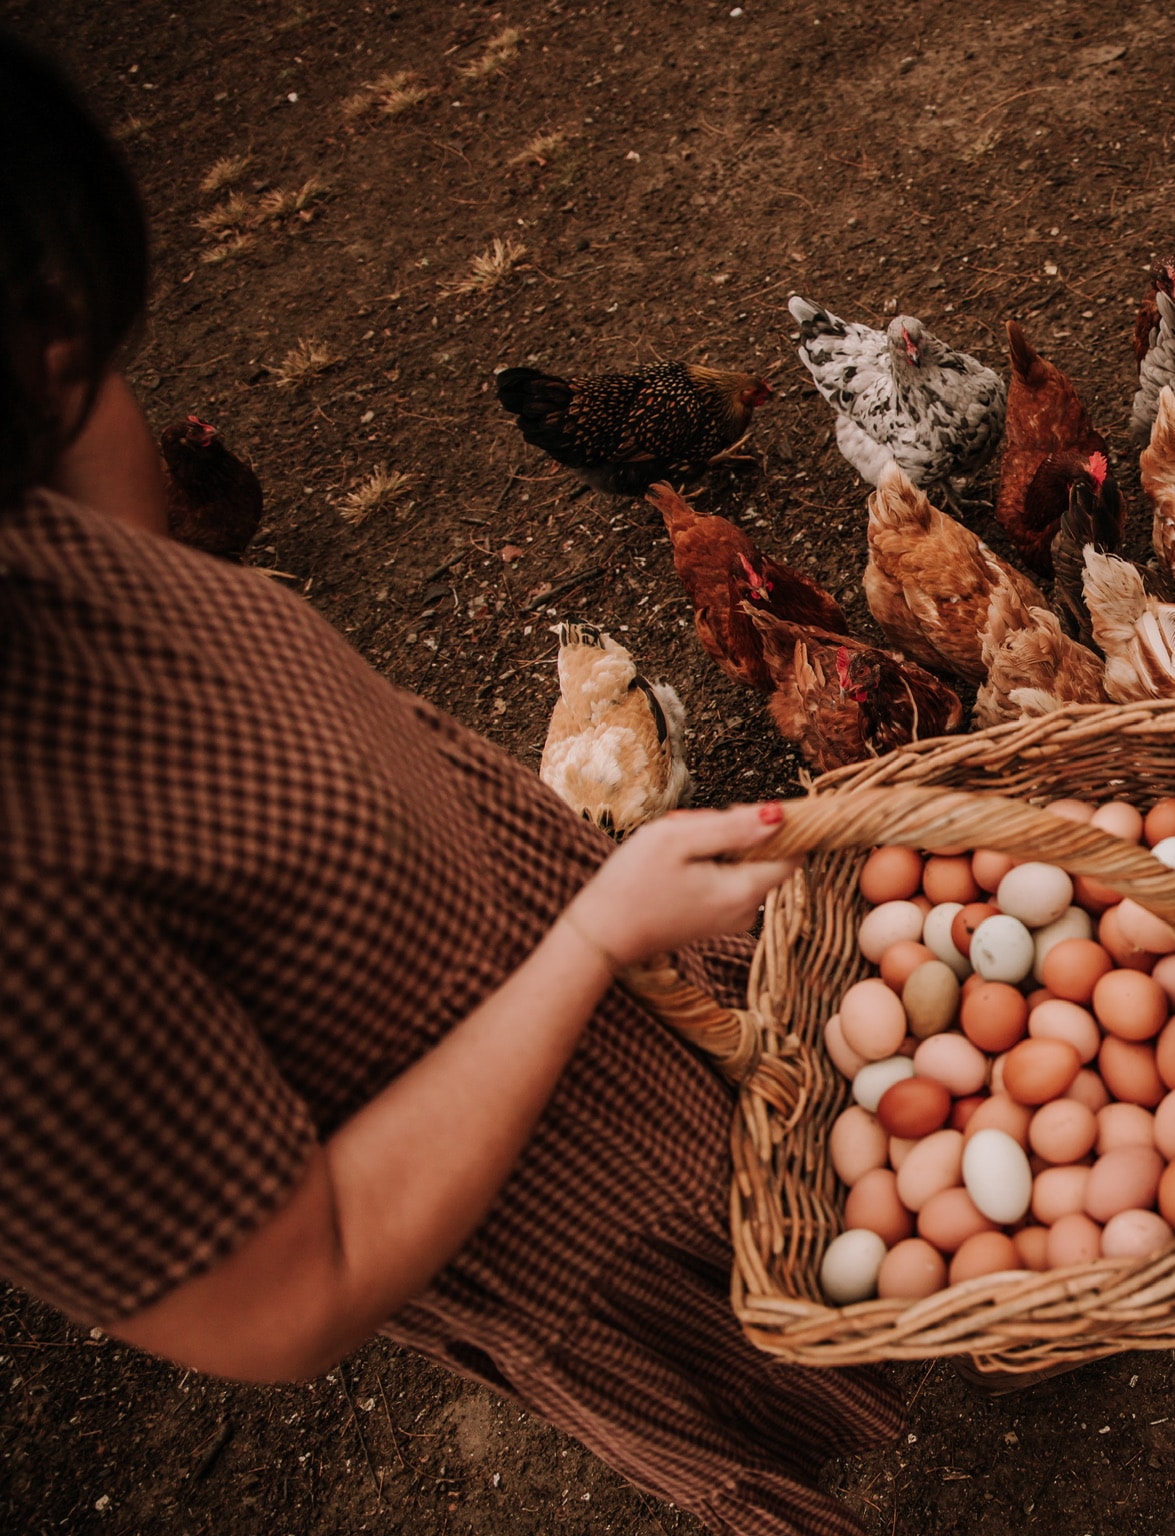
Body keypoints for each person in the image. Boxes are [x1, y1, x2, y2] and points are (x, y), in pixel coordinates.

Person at [0, 34, 899, 1535]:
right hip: (564, 1188)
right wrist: (588, 943)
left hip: (616, 970)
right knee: (823, 1291)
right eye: (50, 373)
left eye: (71, 347)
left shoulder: (42, 539)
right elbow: (281, 1296)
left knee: (865, 1168)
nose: (93, 395)